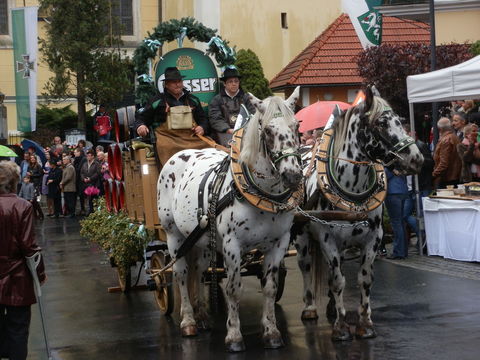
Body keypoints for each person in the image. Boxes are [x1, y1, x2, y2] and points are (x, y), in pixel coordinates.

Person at [0, 161, 47, 360]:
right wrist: (40, 274)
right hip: (17, 276)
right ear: (14, 182)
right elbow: (29, 247)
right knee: (18, 329)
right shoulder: (22, 206)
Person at [134, 67, 210, 165]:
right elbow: (141, 118)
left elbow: (203, 119)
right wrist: (141, 126)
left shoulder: (193, 100)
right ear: (167, 85)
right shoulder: (156, 101)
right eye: (174, 82)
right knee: (168, 150)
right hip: (167, 138)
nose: (178, 84)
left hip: (190, 136)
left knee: (209, 147)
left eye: (179, 81)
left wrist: (202, 127)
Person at [208, 67, 255, 146]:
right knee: (231, 148)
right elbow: (215, 119)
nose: (234, 84)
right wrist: (227, 129)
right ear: (224, 84)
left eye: (236, 81)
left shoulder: (246, 98)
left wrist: (244, 129)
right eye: (230, 81)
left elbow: (253, 114)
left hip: (245, 131)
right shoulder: (216, 100)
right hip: (224, 133)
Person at [384, 167, 409, 260]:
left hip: (393, 193)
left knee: (396, 223)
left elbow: (383, 176)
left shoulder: (389, 167)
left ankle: (398, 252)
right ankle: (404, 251)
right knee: (401, 222)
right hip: (402, 191)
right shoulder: (400, 164)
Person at [432, 117, 461, 189]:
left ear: (440, 129)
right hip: (453, 176)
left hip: (447, 178)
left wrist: (433, 175)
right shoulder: (455, 137)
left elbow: (444, 163)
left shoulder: (446, 140)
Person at [80, 149, 101, 214]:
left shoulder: (96, 163)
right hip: (86, 183)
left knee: (93, 198)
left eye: (89, 156)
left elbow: (97, 173)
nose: (88, 157)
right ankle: (89, 211)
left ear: (92, 156)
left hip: (93, 183)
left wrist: (90, 178)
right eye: (87, 156)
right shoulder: (85, 164)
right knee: (87, 198)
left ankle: (93, 211)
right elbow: (82, 172)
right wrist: (83, 179)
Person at [73, 147, 87, 216]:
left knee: (82, 195)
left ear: (79, 152)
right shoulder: (76, 159)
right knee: (79, 195)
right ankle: (81, 209)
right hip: (77, 180)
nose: (74, 153)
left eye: (75, 152)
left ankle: (83, 209)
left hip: (81, 180)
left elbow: (79, 169)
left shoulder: (83, 159)